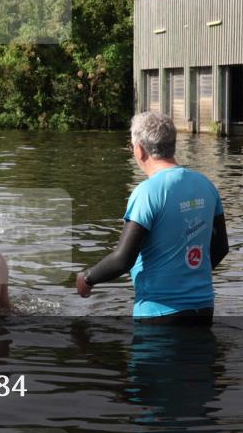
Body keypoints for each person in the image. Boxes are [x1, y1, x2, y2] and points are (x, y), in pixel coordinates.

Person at [76, 112, 229, 323]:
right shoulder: (206, 185)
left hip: (159, 312)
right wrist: (187, 279)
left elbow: (122, 260)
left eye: (131, 147)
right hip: (203, 308)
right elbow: (221, 248)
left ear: (139, 149)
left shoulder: (147, 192)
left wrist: (87, 278)